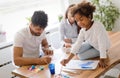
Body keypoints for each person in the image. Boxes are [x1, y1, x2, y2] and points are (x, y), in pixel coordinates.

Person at [61, 1, 110, 68]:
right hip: (91, 44)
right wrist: (68, 60)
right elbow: (77, 44)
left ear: (89, 17)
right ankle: (87, 48)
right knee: (76, 48)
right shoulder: (83, 30)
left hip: (101, 48)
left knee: (81, 56)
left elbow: (102, 44)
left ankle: (99, 52)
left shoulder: (98, 26)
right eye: (77, 21)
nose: (79, 23)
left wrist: (102, 59)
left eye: (81, 19)